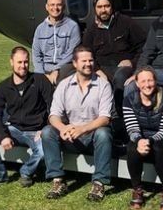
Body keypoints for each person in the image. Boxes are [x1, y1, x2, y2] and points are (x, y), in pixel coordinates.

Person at [41, 45, 114, 201]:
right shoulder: (64, 85)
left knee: (103, 133)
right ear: (75, 63)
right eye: (84, 61)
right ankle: (58, 181)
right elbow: (53, 115)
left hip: (93, 136)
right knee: (48, 131)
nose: (88, 64)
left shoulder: (103, 85)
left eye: (91, 60)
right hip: (71, 135)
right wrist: (62, 128)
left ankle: (99, 183)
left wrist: (82, 129)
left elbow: (105, 118)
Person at [0, 46, 54, 187]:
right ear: (11, 62)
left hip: (36, 131)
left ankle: (26, 173)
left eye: (26, 62)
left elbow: (53, 107)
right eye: (19, 62)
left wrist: (46, 128)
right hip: (14, 129)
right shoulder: (4, 86)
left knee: (44, 151)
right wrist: (2, 136)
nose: (23, 66)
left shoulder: (40, 80)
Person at [122, 66, 163, 210]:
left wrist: (149, 141)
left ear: (155, 81)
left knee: (158, 148)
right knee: (131, 148)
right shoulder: (129, 100)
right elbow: (132, 127)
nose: (147, 84)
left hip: (161, 139)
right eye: (143, 81)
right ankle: (137, 189)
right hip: (140, 138)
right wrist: (139, 140)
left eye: (150, 80)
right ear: (137, 83)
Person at [82, 0, 147, 100]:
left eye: (107, 6)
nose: (103, 10)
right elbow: (86, 54)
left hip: (123, 67)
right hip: (101, 68)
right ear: (95, 9)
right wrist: (97, 70)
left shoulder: (126, 23)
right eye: (99, 7)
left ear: (112, 7)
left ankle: (120, 109)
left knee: (120, 78)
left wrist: (132, 62)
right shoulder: (91, 30)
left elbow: (143, 46)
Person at [32, 0, 81, 85]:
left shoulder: (72, 26)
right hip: (45, 69)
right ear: (46, 7)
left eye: (59, 5)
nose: (55, 8)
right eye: (52, 5)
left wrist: (57, 69)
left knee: (59, 81)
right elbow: (36, 54)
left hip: (65, 67)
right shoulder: (40, 29)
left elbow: (71, 53)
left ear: (64, 7)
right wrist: (41, 74)